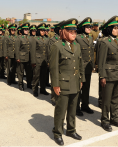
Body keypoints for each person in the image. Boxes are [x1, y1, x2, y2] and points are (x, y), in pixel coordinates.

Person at [49, 18, 85, 146]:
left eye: (75, 32)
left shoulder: (77, 45)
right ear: (64, 32)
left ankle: (71, 130)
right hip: (63, 84)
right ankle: (57, 133)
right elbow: (54, 68)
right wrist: (55, 84)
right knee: (61, 109)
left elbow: (80, 64)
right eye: (70, 32)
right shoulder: (57, 46)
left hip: (75, 82)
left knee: (72, 108)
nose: (73, 34)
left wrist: (82, 79)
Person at [98, 16, 118, 132]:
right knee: (106, 99)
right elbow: (101, 61)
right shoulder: (105, 42)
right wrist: (102, 76)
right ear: (110, 29)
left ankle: (115, 118)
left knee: (116, 98)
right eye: (115, 28)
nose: (117, 29)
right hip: (109, 75)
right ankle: (105, 120)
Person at [75, 17, 94, 116]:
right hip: (80, 67)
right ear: (83, 27)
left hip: (88, 67)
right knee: (79, 87)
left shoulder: (90, 38)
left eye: (90, 26)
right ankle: (76, 107)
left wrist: (93, 65)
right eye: (87, 26)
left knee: (86, 87)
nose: (89, 28)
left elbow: (91, 52)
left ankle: (85, 105)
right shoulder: (78, 37)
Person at [31, 23, 49, 97]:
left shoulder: (47, 39)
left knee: (43, 76)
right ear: (38, 31)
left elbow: (48, 50)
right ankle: (35, 90)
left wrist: (48, 61)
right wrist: (33, 61)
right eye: (41, 30)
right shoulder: (35, 39)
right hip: (37, 60)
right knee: (36, 76)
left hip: (44, 61)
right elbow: (33, 51)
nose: (43, 32)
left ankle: (42, 89)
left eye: (44, 30)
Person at [49, 21, 65, 106]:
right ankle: (54, 98)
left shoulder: (64, 39)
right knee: (55, 81)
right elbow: (50, 53)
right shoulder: (53, 40)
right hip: (56, 63)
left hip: (63, 63)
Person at [15, 23, 33, 90]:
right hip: (21, 58)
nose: (27, 31)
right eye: (25, 29)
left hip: (28, 58)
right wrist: (17, 58)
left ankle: (29, 84)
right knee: (20, 72)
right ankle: (20, 84)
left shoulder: (29, 38)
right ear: (22, 30)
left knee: (29, 72)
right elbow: (17, 49)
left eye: (27, 29)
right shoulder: (19, 38)